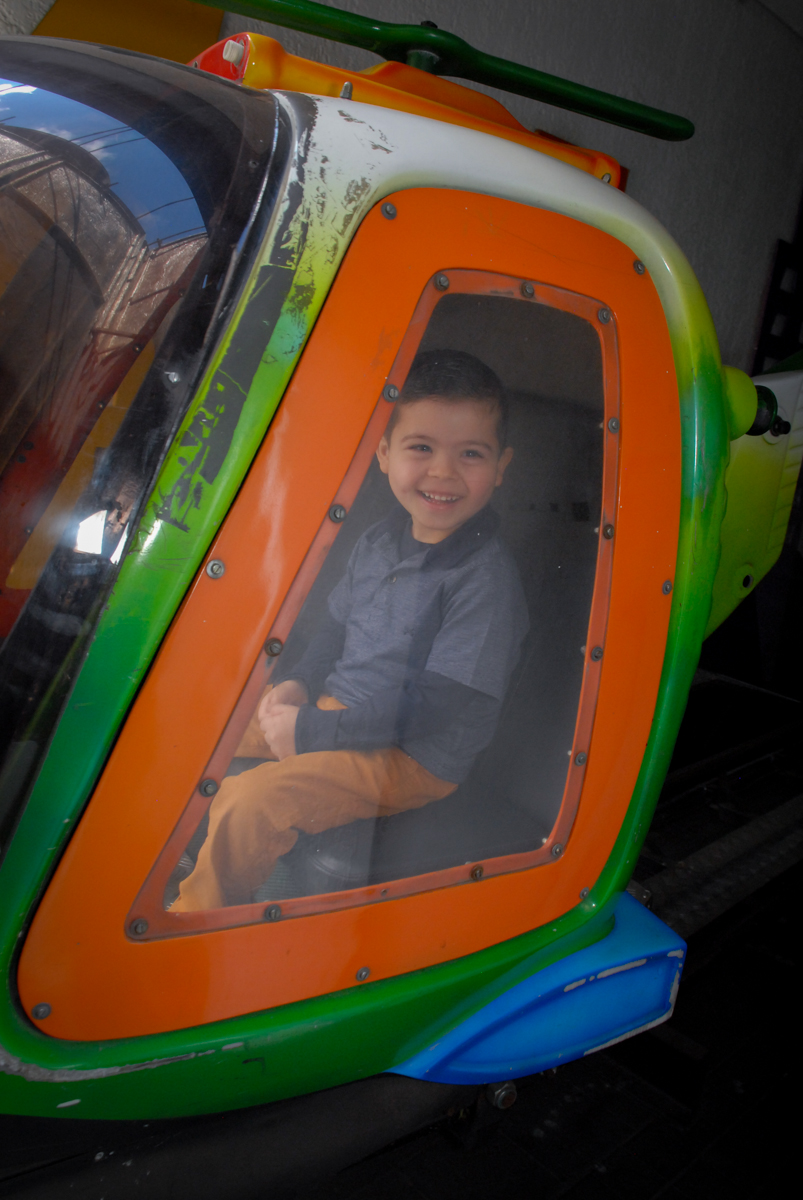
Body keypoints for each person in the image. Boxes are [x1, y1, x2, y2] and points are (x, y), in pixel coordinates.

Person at [173, 349, 529, 911]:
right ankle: (164, 863)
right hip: (335, 711)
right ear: (384, 455)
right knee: (195, 728)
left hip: (414, 757)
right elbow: (334, 632)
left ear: (501, 466)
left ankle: (194, 923)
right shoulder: (377, 543)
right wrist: (296, 685)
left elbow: (438, 705)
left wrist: (312, 734)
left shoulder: (484, 580)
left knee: (251, 800)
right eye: (421, 448)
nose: (442, 472)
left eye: (471, 454)